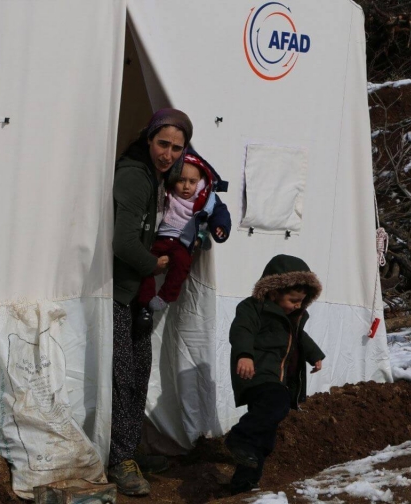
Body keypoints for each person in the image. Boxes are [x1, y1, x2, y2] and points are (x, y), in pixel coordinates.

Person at [109, 108, 192, 496]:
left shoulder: (160, 179)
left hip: (136, 292)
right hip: (118, 290)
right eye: (163, 144)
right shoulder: (134, 176)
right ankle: (119, 459)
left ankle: (130, 448)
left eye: (177, 147)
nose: (169, 154)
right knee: (122, 377)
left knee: (139, 371)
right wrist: (153, 263)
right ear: (149, 138)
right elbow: (124, 242)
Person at [226, 254, 326, 495]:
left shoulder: (292, 318)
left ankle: (244, 484)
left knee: (264, 437)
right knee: (277, 404)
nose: (298, 306)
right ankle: (237, 438)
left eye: (302, 301)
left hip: (276, 377)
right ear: (273, 292)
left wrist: (315, 355)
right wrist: (244, 355)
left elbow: (301, 338)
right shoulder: (253, 308)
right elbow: (242, 330)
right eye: (293, 300)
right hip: (257, 372)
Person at [135, 148, 231, 321]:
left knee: (181, 267)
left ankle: (165, 296)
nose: (186, 186)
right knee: (145, 262)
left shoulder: (206, 197)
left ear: (200, 181)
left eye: (192, 181)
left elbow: (220, 212)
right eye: (181, 180)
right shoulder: (167, 192)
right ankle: (145, 300)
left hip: (183, 241)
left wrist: (220, 227)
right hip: (162, 237)